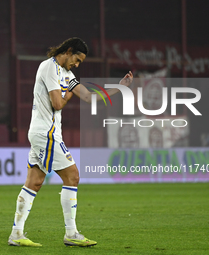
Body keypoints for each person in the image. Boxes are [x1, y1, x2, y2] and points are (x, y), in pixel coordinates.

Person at [8, 37, 133, 247]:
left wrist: (119, 88)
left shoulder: (67, 74)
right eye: (77, 59)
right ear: (68, 51)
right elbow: (57, 103)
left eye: (80, 63)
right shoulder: (49, 68)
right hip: (46, 133)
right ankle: (71, 233)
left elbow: (89, 97)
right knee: (73, 176)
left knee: (34, 182)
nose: (77, 64)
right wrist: (69, 95)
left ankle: (16, 234)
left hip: (45, 133)